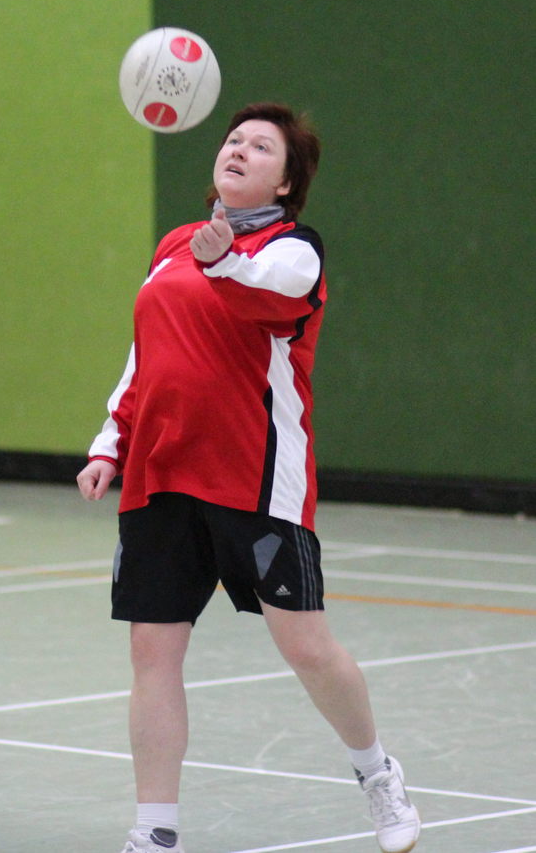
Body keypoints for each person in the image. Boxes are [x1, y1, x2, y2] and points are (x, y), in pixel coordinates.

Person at [77, 102, 420, 853]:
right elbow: (145, 352)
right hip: (160, 473)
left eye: (260, 147)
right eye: (233, 139)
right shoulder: (176, 244)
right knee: (152, 655)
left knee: (305, 647)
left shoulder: (295, 250)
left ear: (287, 181)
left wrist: (221, 259)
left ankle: (376, 770)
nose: (238, 149)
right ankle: (154, 829)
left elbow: (264, 292)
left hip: (255, 478)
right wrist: (111, 440)